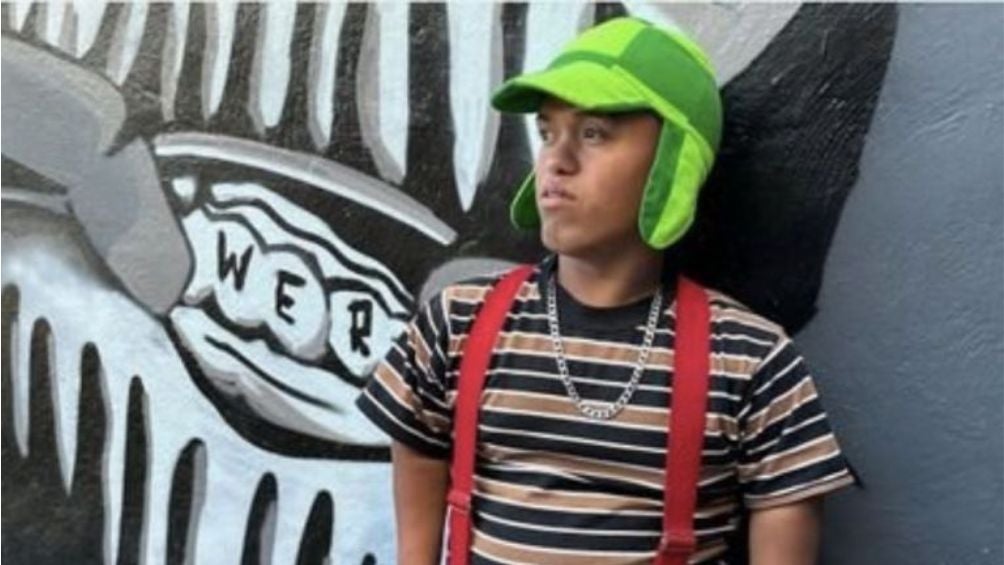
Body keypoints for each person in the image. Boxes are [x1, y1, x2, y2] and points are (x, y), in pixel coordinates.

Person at [357, 16, 856, 565]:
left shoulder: (750, 360)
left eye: (594, 133)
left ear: (673, 163)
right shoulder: (458, 323)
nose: (556, 161)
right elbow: (419, 457)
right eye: (548, 132)